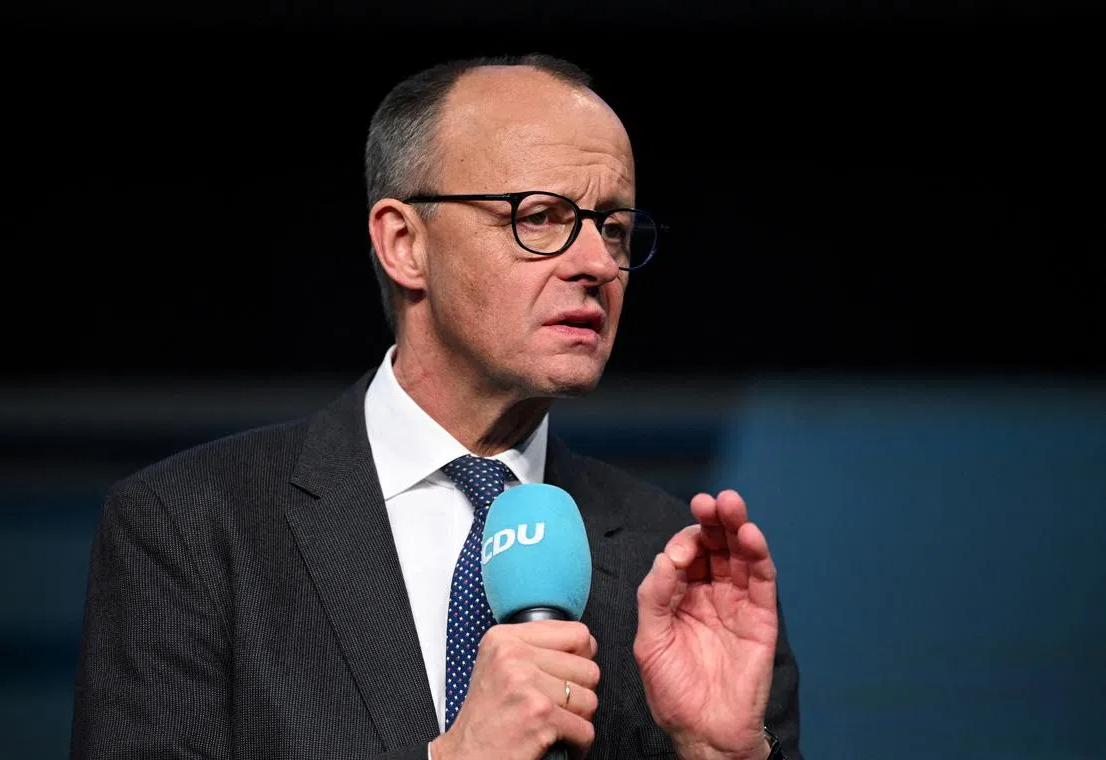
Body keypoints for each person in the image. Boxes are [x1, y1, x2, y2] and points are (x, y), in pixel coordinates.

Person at [70, 53, 801, 760]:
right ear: (403, 243)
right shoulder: (189, 527)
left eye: (612, 227)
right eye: (540, 216)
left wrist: (720, 755)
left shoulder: (679, 564)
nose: (596, 264)